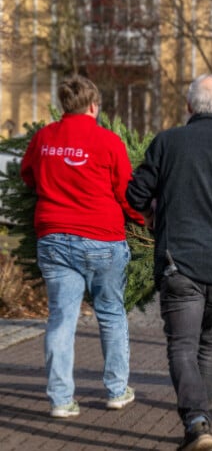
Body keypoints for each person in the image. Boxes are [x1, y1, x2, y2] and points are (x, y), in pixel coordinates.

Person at [127, 74, 212, 451]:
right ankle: (200, 420)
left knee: (182, 345)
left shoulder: (167, 143)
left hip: (179, 260)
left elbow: (135, 193)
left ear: (188, 107)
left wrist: (154, 211)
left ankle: (196, 420)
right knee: (210, 344)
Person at [20, 75, 143, 419]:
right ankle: (117, 390)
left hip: (55, 237)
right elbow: (125, 192)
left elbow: (27, 174)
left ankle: (61, 399)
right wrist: (143, 221)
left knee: (61, 319)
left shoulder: (44, 138)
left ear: (64, 105)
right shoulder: (108, 141)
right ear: (93, 105)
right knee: (111, 313)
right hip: (102, 237)